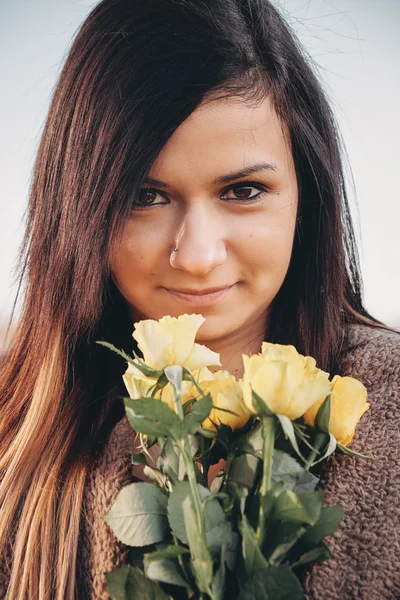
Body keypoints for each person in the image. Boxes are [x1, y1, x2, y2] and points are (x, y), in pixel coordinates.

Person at [0, 0, 399, 598]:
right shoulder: (15, 450)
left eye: (243, 190)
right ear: (77, 209)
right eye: (146, 195)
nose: (196, 255)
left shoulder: (389, 409)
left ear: (305, 196)